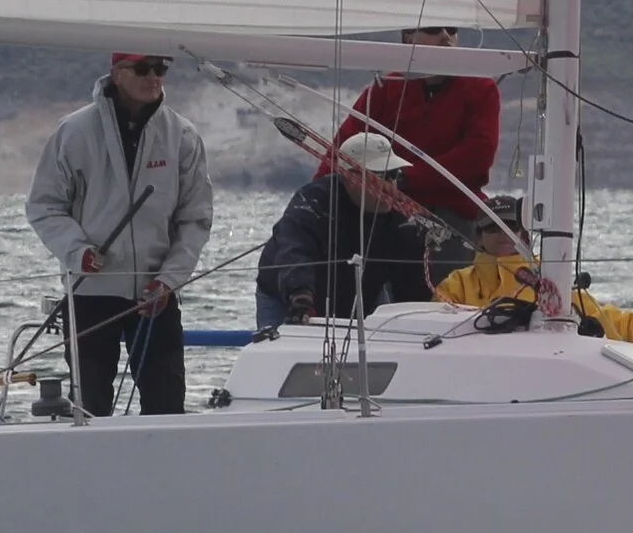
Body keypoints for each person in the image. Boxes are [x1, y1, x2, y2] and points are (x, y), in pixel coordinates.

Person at [27, 53, 214, 416]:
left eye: (161, 69)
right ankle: (93, 472)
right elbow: (43, 206)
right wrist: (77, 251)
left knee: (166, 406)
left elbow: (196, 218)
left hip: (155, 294)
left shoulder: (183, 136)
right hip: (90, 292)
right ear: (116, 72)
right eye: (143, 68)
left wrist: (168, 280)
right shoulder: (74, 132)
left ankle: (160, 472)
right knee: (91, 408)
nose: (153, 77)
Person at [317, 24, 498, 270]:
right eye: (434, 29)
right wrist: (314, 201)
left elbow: (478, 154)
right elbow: (343, 150)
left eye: (452, 29)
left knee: (444, 296)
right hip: (389, 213)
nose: (446, 37)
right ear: (408, 36)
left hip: (452, 214)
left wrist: (405, 178)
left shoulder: (481, 88)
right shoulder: (386, 88)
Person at [432, 195, 633, 345]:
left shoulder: (550, 278)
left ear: (524, 234)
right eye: (493, 227)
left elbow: (611, 320)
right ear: (478, 237)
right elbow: (432, 329)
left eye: (510, 227)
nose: (503, 234)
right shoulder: (455, 286)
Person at [255, 132, 432, 331]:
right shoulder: (313, 202)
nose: (391, 186)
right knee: (285, 355)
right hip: (287, 297)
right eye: (382, 176)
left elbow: (412, 282)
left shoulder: (404, 218)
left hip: (362, 294)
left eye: (395, 175)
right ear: (351, 177)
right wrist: (300, 296)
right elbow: (294, 249)